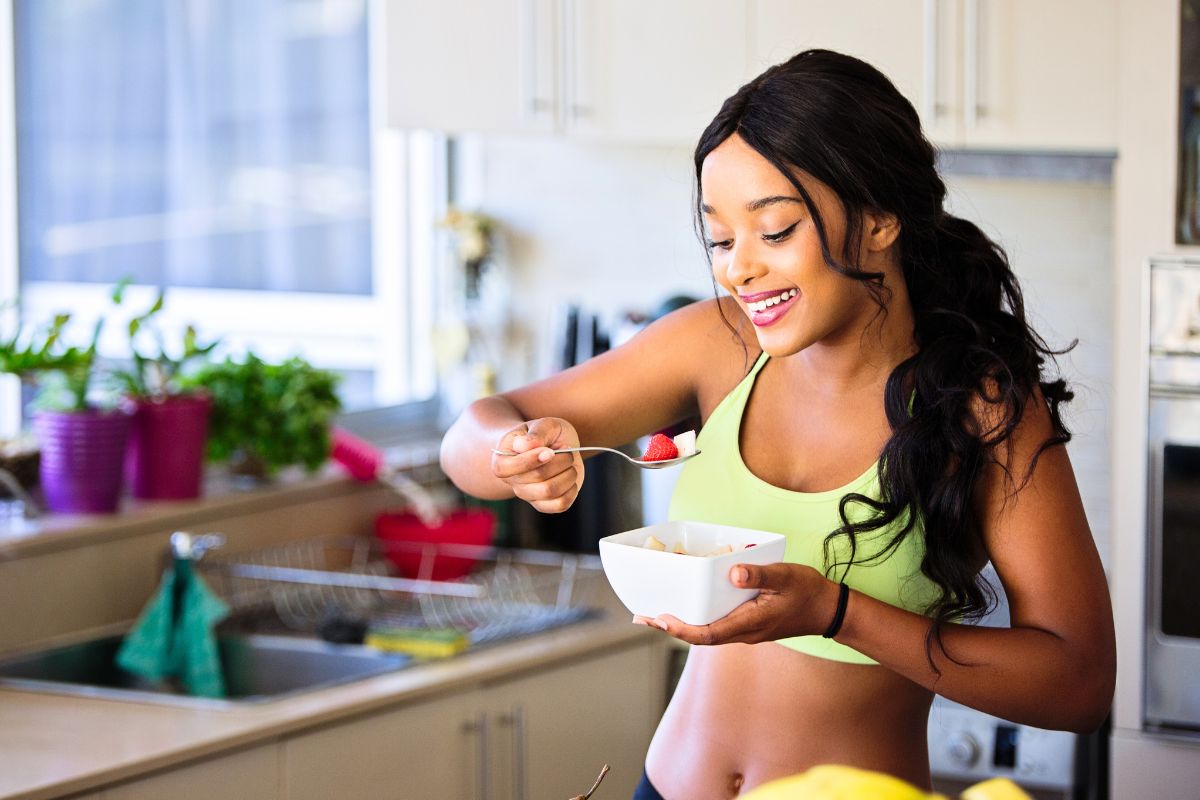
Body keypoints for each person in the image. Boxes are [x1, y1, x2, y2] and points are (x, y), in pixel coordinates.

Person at [439, 49, 1115, 799]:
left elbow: (1080, 683)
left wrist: (836, 613)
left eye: (776, 230)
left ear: (881, 218)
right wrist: (510, 452)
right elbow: (471, 436)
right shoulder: (715, 345)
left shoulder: (980, 408)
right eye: (723, 240)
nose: (737, 270)